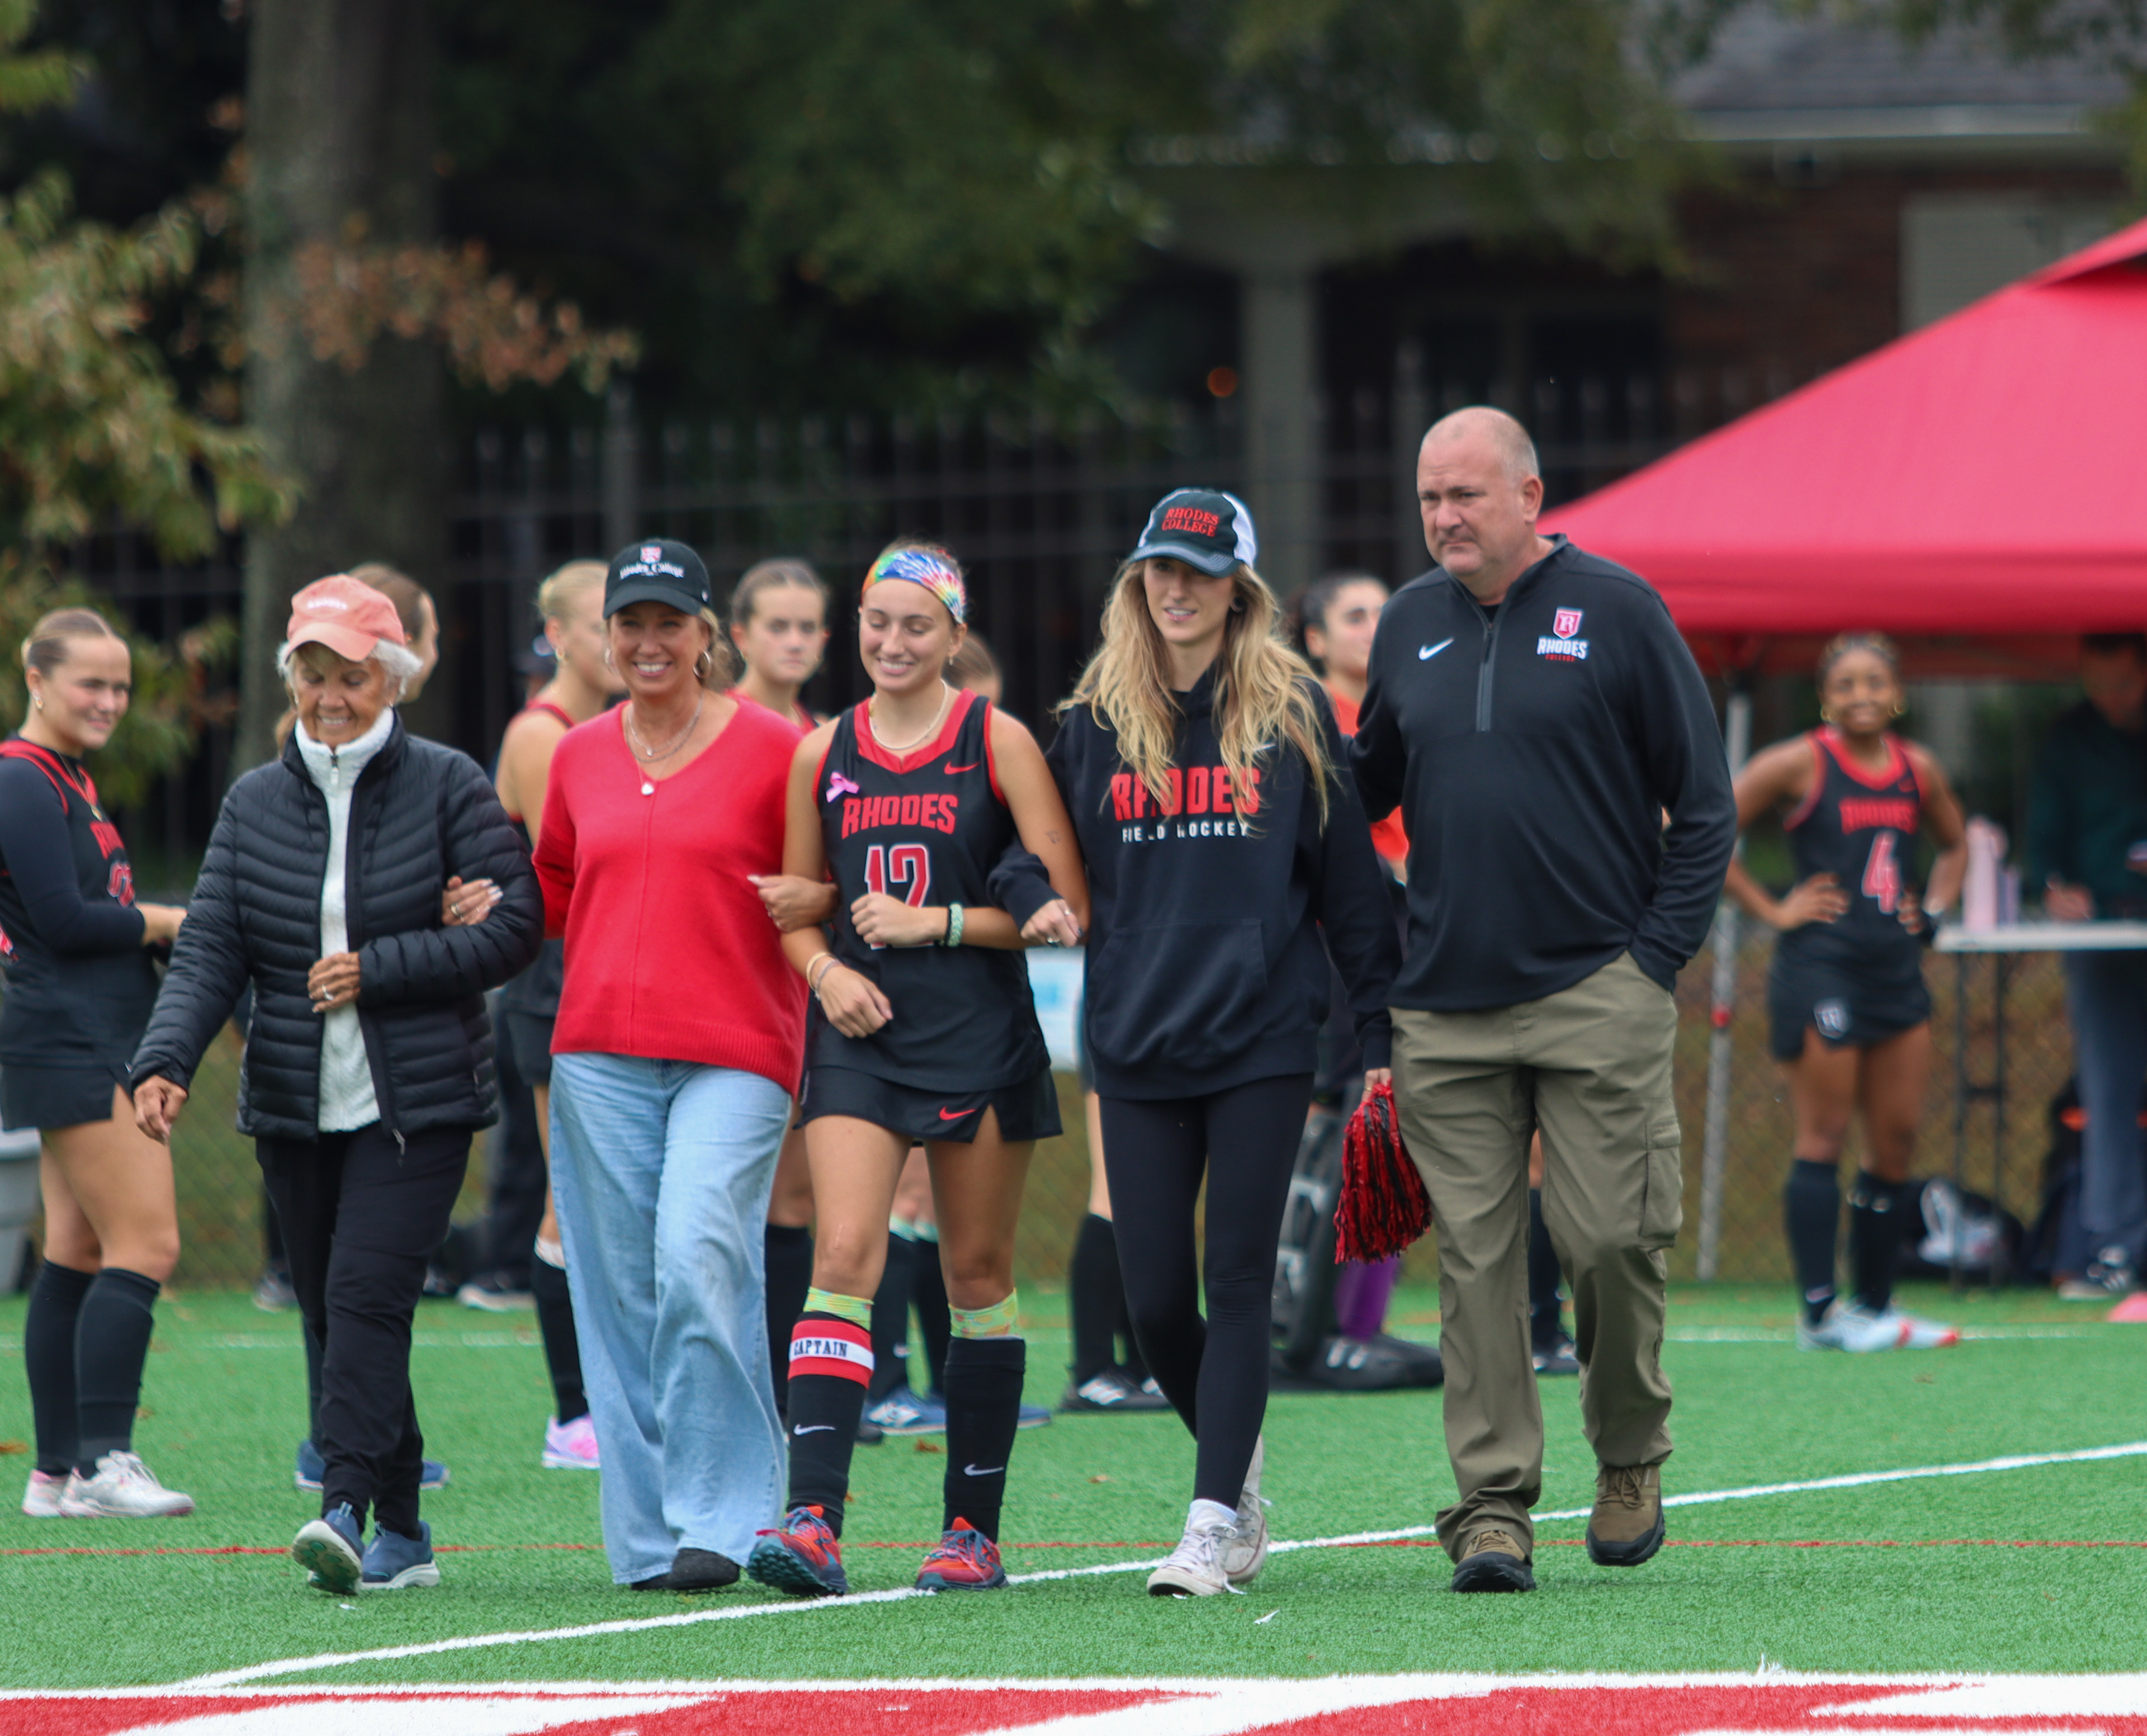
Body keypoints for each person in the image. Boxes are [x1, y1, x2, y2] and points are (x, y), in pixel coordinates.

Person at [1350, 407, 1736, 1594]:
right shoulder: (1407, 622)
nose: (1444, 517)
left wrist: (1651, 963)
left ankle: (1629, 1457)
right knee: (1476, 1266)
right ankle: (1491, 1507)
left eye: (1465, 494)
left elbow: (1705, 809)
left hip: (1596, 989)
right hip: (1443, 1006)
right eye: (1429, 497)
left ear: (1529, 495)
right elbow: (1362, 792)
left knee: (1611, 1239)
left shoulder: (1619, 610)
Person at [131, 575, 541, 1594]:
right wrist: (165, 1060)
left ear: (393, 679)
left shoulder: (449, 784)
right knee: (333, 1311)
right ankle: (404, 1528)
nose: (331, 696)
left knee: (364, 1296)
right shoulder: (253, 802)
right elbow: (211, 946)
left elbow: (515, 927)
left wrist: (380, 968)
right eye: (313, 675)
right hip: (294, 1103)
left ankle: (344, 1508)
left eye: (352, 676)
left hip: (420, 1103)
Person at [1049, 489, 1400, 1597]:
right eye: (1160, 568)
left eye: (1200, 572)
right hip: (1136, 1035)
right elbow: (1031, 850)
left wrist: (1381, 1032)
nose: (1177, 588)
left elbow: (1351, 886)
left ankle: (1209, 1525)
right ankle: (1236, 1471)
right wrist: (1021, 899)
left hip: (1261, 1035)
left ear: (1239, 589)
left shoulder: (1296, 710)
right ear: (1137, 581)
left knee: (1237, 1280)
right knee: (1155, 1300)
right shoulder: (1092, 718)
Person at [750, 540, 1087, 1600]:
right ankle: (813, 1521)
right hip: (862, 1037)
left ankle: (971, 1533)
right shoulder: (821, 750)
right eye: (878, 622)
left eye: (917, 626)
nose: (893, 642)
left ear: (953, 635)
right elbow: (795, 908)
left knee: (975, 1276)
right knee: (842, 1252)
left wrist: (933, 921)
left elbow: (1064, 908)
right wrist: (824, 973)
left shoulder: (999, 739)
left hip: (979, 1037)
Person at [535, 537, 810, 1594]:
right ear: (606, 637)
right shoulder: (576, 755)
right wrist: (474, 900)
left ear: (707, 637)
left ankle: (726, 1521)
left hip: (737, 1051)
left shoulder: (778, 748)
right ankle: (653, 1543)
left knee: (698, 1256)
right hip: (598, 1055)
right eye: (631, 624)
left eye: (669, 623)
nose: (649, 642)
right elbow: (555, 892)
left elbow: (820, 883)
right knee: (617, 1297)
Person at [1723, 632, 1968, 1350]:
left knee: (1895, 1142)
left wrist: (1937, 911)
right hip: (1821, 971)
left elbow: (1957, 844)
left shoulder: (1918, 767)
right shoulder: (1797, 762)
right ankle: (1820, 1315)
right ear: (1825, 698)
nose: (1862, 695)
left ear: (1898, 695)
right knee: (1824, 1135)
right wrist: (1773, 909)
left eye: (1875, 682)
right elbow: (1702, 830)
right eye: (1846, 684)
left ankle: (1875, 1307)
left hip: (1896, 972)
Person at [3, 609, 192, 1520]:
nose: (110, 701)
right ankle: (103, 1464)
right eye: (91, 683)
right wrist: (167, 921)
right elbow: (65, 922)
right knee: (148, 1244)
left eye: (120, 686)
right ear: (36, 678)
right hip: (71, 1034)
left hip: (89, 1027)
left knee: (75, 1249)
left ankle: (53, 1475)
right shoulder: (20, 777)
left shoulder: (68, 775)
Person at [491, 559, 626, 1467]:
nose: (621, 642)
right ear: (559, 636)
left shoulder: (620, 726)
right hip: (557, 983)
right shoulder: (545, 734)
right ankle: (573, 1415)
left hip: (615, 975)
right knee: (571, 1197)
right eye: (601, 623)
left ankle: (616, 1399)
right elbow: (576, 876)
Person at [728, 559, 833, 1415]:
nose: (794, 641)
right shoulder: (714, 729)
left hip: (800, 986)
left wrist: (823, 901)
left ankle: (787, 1399)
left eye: (807, 627)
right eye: (777, 626)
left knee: (795, 1196)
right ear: (739, 635)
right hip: (722, 981)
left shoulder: (830, 739)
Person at [2030, 632, 2147, 1300]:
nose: (2110, 700)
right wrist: (2055, 887)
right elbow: (2042, 842)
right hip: (2103, 933)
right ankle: (2115, 1246)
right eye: (2096, 686)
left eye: (2122, 685)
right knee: (2109, 1091)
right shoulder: (2069, 739)